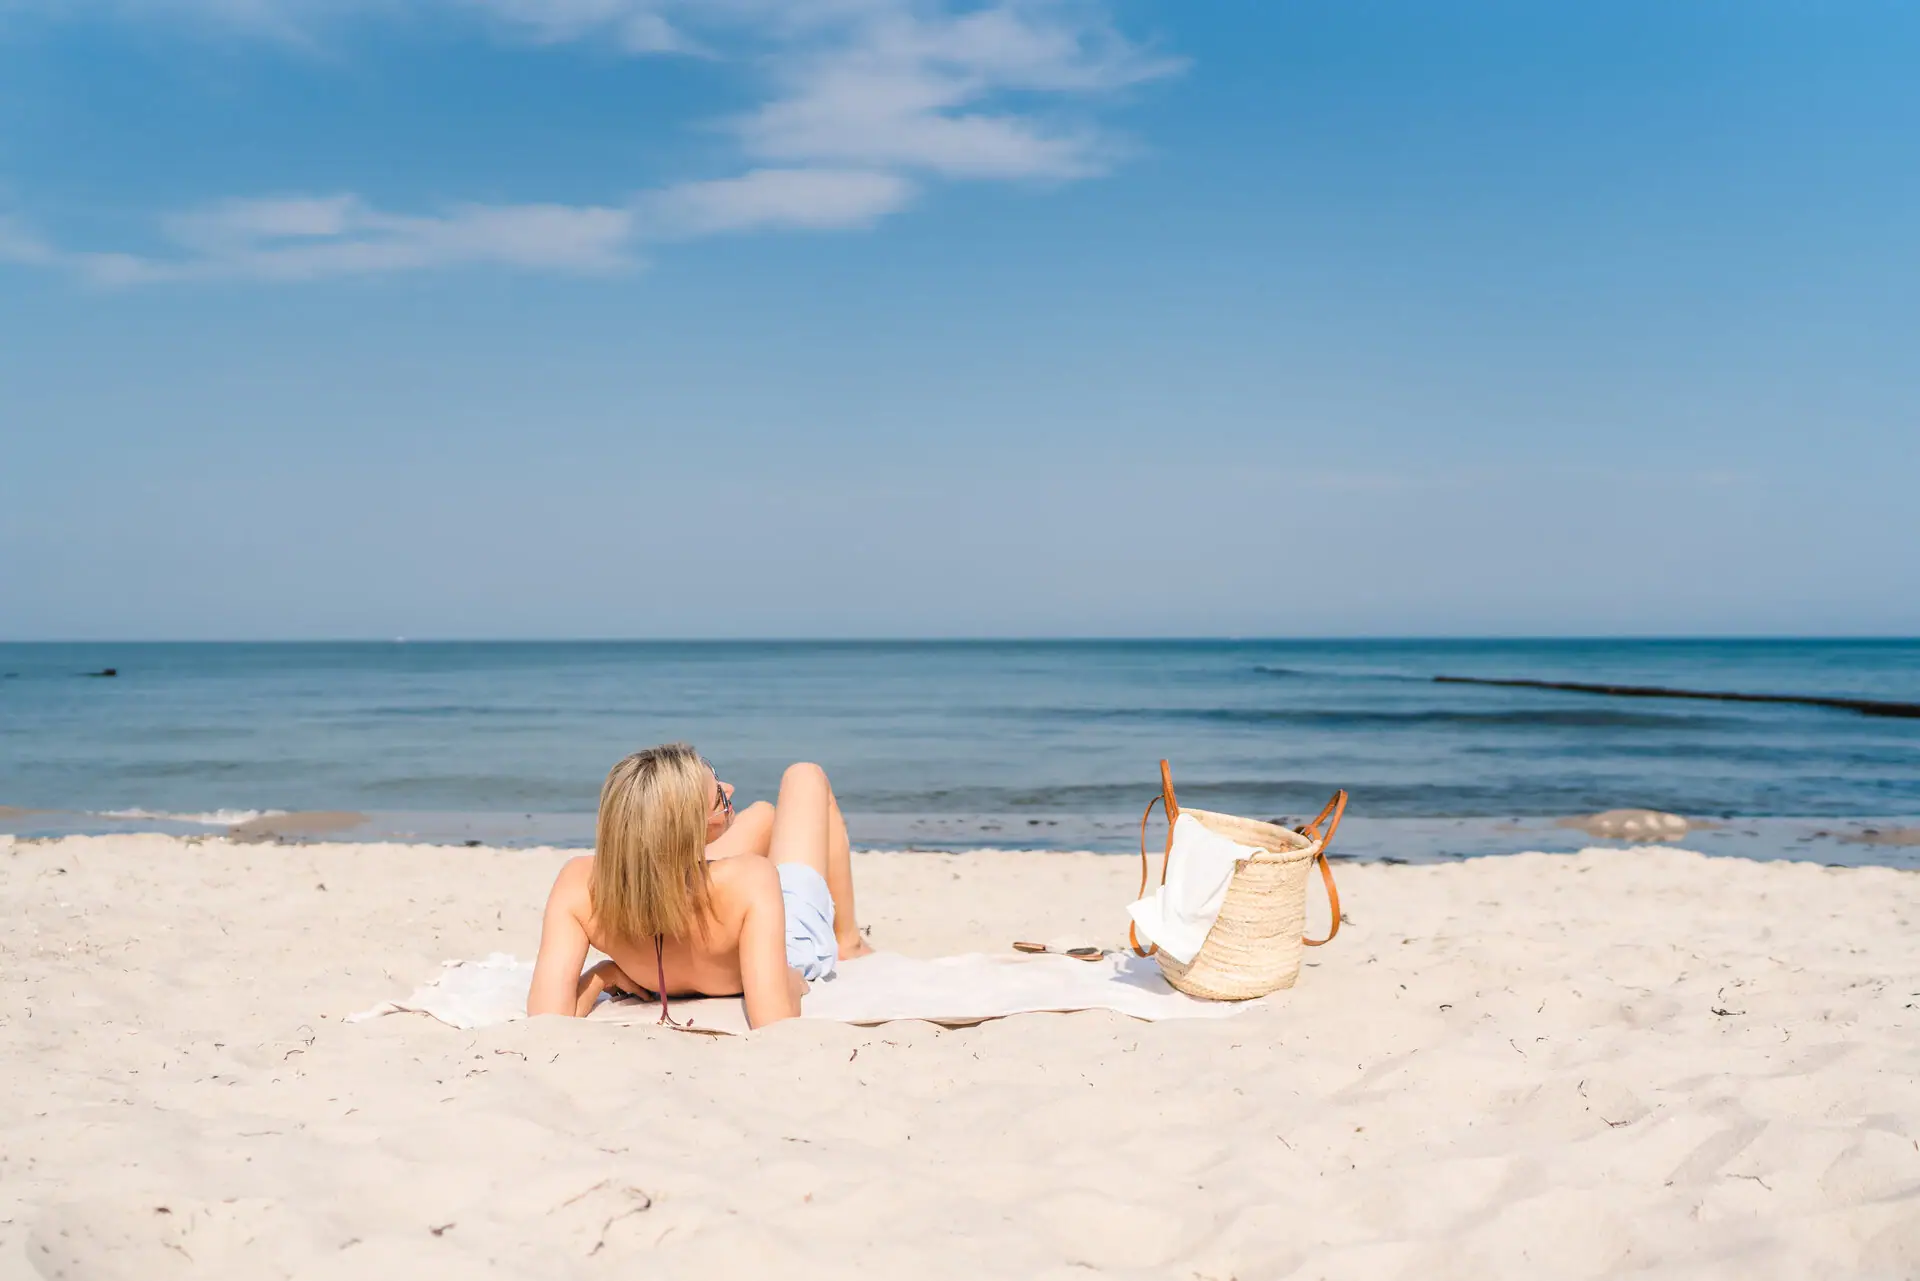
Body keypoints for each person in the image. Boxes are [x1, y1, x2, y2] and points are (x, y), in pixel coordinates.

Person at [528, 744, 872, 1028]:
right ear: (691, 832)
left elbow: (546, 1018)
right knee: (805, 776)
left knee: (765, 815)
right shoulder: (753, 877)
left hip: (688, 926)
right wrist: (793, 978)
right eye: (720, 800)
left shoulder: (579, 883)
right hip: (777, 947)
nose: (731, 790)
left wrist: (602, 975)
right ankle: (849, 942)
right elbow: (775, 1020)